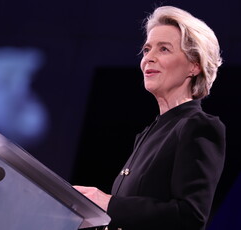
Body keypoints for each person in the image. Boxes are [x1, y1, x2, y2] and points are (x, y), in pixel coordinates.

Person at [74, 5, 225, 230]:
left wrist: (107, 203)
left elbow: (190, 217)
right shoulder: (148, 133)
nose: (148, 59)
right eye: (146, 50)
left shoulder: (199, 127)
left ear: (194, 65)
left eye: (163, 49)